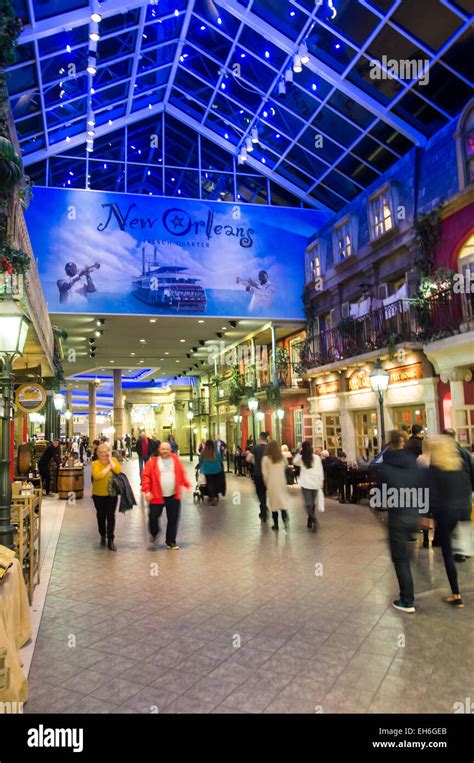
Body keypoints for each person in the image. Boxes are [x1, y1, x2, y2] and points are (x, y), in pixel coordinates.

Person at [376, 430, 424, 613]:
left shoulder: (385, 466)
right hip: (414, 513)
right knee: (405, 554)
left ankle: (407, 600)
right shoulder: (413, 463)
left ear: (390, 443)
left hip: (398, 515)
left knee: (400, 558)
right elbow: (423, 485)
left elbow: (380, 497)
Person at [426, 436, 470, 608]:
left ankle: (456, 594)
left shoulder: (435, 469)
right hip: (463, 512)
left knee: (447, 553)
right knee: (466, 550)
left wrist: (433, 514)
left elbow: (432, 494)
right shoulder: (459, 466)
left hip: (446, 515)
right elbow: (467, 488)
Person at [142, 441, 191, 549]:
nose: (165, 451)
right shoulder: (153, 462)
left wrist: (187, 485)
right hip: (156, 496)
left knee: (173, 519)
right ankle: (154, 532)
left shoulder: (175, 460)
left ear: (170, 450)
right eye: (163, 449)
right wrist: (147, 491)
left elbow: (181, 473)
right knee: (153, 518)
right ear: (159, 449)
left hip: (173, 495)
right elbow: (146, 477)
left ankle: (171, 541)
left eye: (167, 449)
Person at [443, 429, 474, 562]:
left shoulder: (442, 454)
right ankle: (465, 549)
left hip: (451, 494)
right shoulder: (465, 453)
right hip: (465, 492)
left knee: (454, 522)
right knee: (464, 521)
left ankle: (459, 551)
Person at [91, 442, 121, 551]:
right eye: (101, 452)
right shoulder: (95, 464)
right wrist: (109, 467)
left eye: (106, 451)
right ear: (98, 453)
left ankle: (110, 540)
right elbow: (97, 476)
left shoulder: (114, 461)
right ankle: (102, 534)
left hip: (111, 494)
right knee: (101, 516)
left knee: (111, 516)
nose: (104, 454)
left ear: (109, 452)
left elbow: (117, 470)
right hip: (98, 495)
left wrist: (110, 461)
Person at [293, 441, 324, 532]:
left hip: (306, 484)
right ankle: (311, 520)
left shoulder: (302, 458)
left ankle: (312, 519)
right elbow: (320, 470)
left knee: (308, 504)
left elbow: (294, 461)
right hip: (315, 484)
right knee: (311, 503)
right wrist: (321, 482)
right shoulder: (317, 458)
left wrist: (299, 452)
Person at [262, 440, 289, 531]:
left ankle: (276, 525)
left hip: (272, 483)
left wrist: (267, 484)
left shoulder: (266, 459)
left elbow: (265, 474)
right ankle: (285, 521)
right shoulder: (282, 458)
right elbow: (286, 465)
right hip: (281, 482)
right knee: (282, 503)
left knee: (274, 505)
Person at [247, 432, 269, 521]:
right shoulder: (270, 448)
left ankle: (263, 507)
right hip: (268, 474)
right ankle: (264, 506)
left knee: (260, 492)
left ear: (260, 439)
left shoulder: (255, 448)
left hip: (258, 473)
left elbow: (248, 459)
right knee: (265, 491)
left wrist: (254, 462)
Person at [199, 440, 226, 506]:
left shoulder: (203, 451)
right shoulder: (215, 451)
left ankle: (212, 497)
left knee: (209, 483)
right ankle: (215, 494)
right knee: (215, 482)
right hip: (216, 470)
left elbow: (200, 460)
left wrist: (202, 466)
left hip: (207, 471)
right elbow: (220, 460)